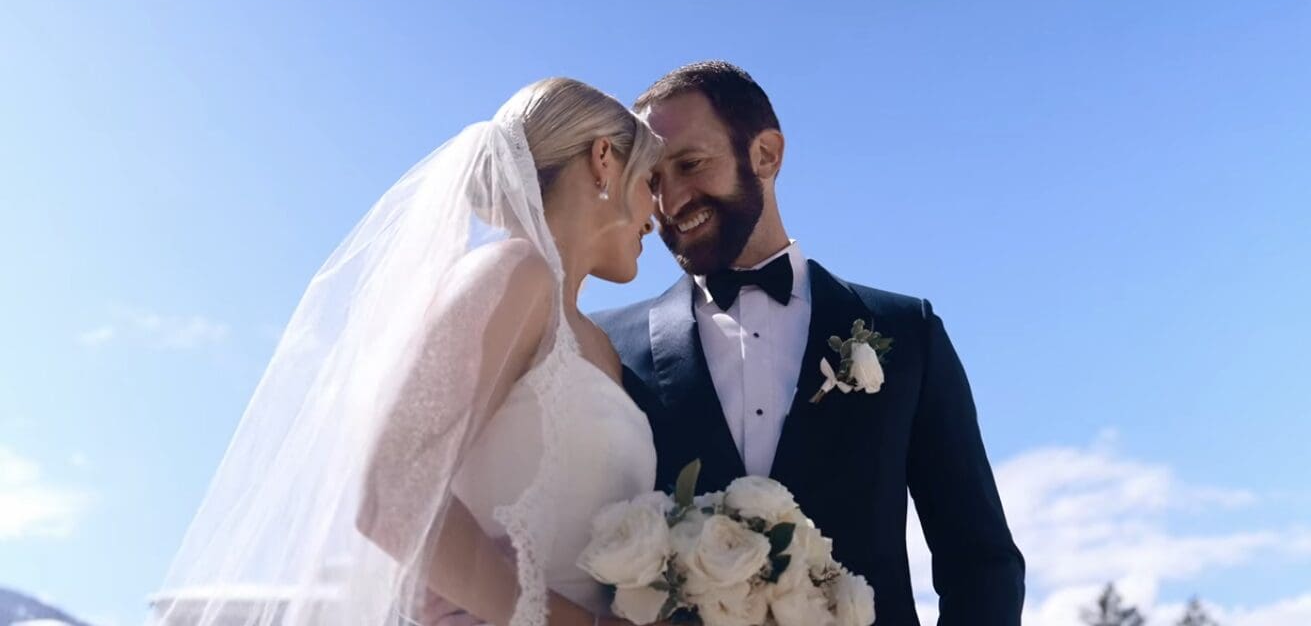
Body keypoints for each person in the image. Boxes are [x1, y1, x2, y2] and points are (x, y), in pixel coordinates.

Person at [153, 78, 664, 626]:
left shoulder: (601, 346)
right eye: (648, 183)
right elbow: (393, 490)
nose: (654, 216)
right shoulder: (514, 273)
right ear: (603, 160)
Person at [594, 61, 1027, 625]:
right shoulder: (605, 348)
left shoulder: (905, 331)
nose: (671, 200)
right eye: (652, 181)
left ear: (767, 154)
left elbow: (980, 562)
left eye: (691, 164)